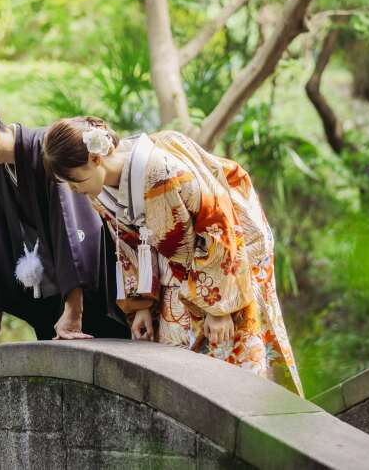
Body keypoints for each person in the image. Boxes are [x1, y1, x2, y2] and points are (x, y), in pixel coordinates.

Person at [42, 116, 303, 396]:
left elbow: (217, 224)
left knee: (234, 352)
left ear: (96, 159)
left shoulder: (163, 170)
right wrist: (141, 304)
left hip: (228, 259)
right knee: (174, 351)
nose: (73, 189)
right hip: (179, 266)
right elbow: (130, 245)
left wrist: (220, 308)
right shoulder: (98, 189)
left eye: (74, 180)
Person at [0, 91, 129, 347]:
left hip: (92, 296)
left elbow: (72, 230)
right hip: (55, 302)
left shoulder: (48, 151)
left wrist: (74, 311)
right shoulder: (0, 174)